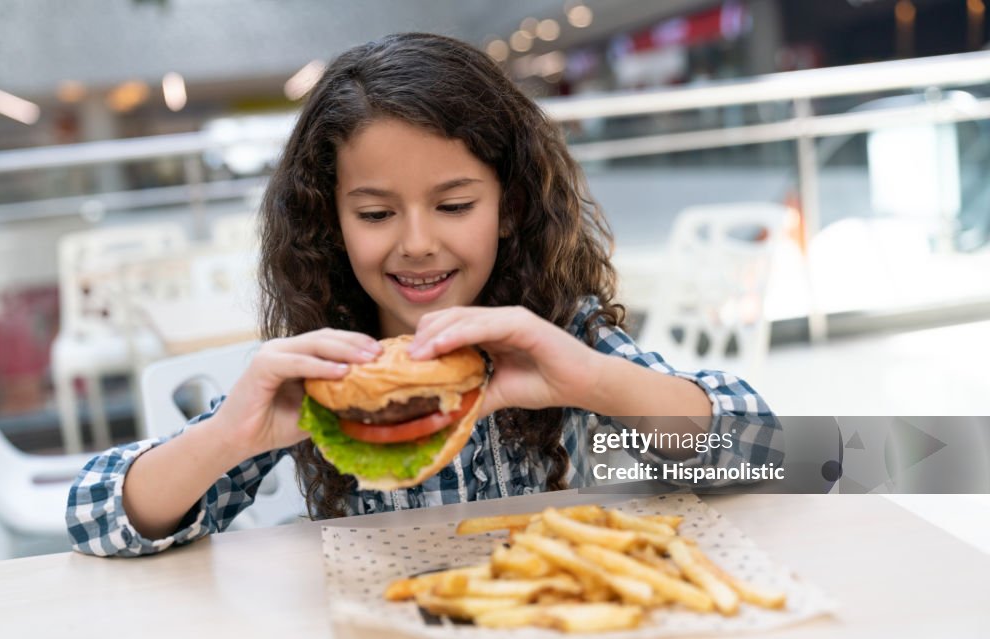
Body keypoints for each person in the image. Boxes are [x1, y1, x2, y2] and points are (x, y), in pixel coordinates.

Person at [67, 33, 780, 558]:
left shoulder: (561, 330)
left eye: (454, 205)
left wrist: (595, 379)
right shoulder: (322, 368)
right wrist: (228, 439)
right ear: (332, 221)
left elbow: (764, 448)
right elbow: (93, 513)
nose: (415, 243)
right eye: (376, 214)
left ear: (508, 205)